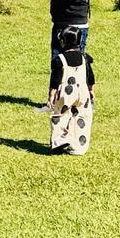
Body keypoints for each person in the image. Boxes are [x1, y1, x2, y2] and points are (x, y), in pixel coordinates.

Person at [45, 26, 95, 155]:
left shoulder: (60, 59)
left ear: (63, 42)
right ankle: (79, 146)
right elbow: (90, 76)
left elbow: (55, 79)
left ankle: (60, 141)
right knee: (82, 116)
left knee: (61, 116)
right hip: (82, 92)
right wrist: (91, 90)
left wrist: (51, 95)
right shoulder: (85, 57)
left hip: (66, 93)